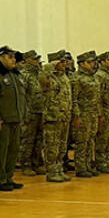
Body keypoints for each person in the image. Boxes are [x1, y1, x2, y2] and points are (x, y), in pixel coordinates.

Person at [0, 47, 28, 191]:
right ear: (1, 58)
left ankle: (9, 177)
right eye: (10, 57)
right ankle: (0, 180)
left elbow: (22, 98)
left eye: (14, 57)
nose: (13, 60)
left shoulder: (16, 75)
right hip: (3, 121)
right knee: (0, 152)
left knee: (13, 151)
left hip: (15, 119)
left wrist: (22, 115)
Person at [40, 51, 73, 181]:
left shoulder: (64, 77)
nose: (65, 64)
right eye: (61, 62)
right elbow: (43, 82)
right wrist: (48, 69)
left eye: (65, 62)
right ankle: (51, 171)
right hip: (52, 117)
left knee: (62, 146)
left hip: (64, 116)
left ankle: (59, 168)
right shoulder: (48, 77)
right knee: (52, 145)